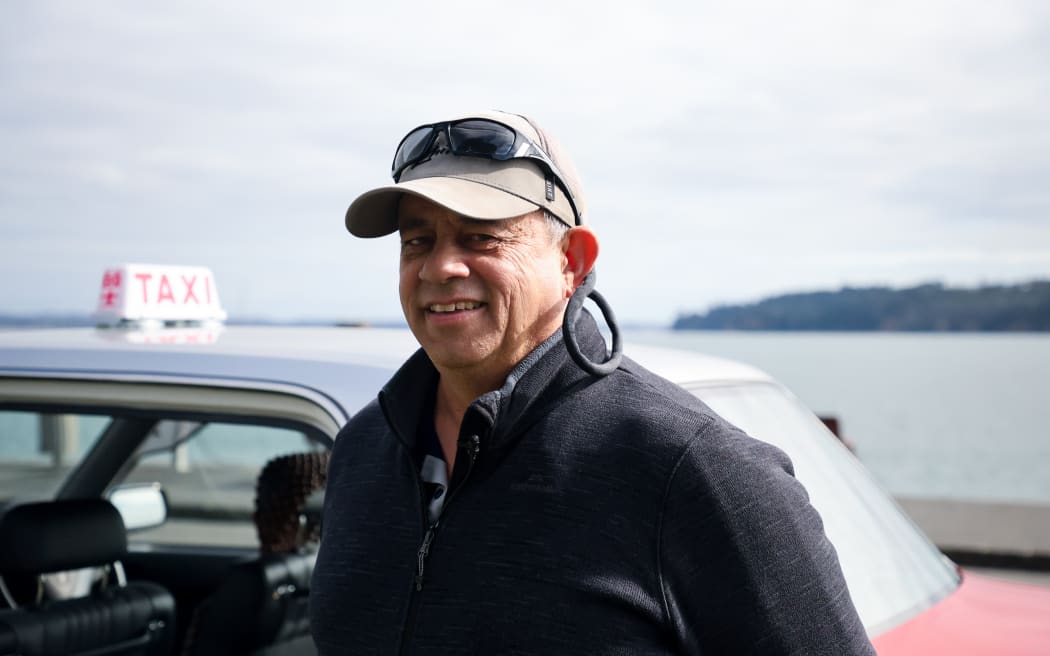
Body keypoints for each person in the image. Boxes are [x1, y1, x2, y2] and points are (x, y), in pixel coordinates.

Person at [310, 110, 875, 654]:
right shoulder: (364, 448)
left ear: (571, 262)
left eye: (481, 237)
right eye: (418, 241)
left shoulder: (694, 468)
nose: (439, 268)